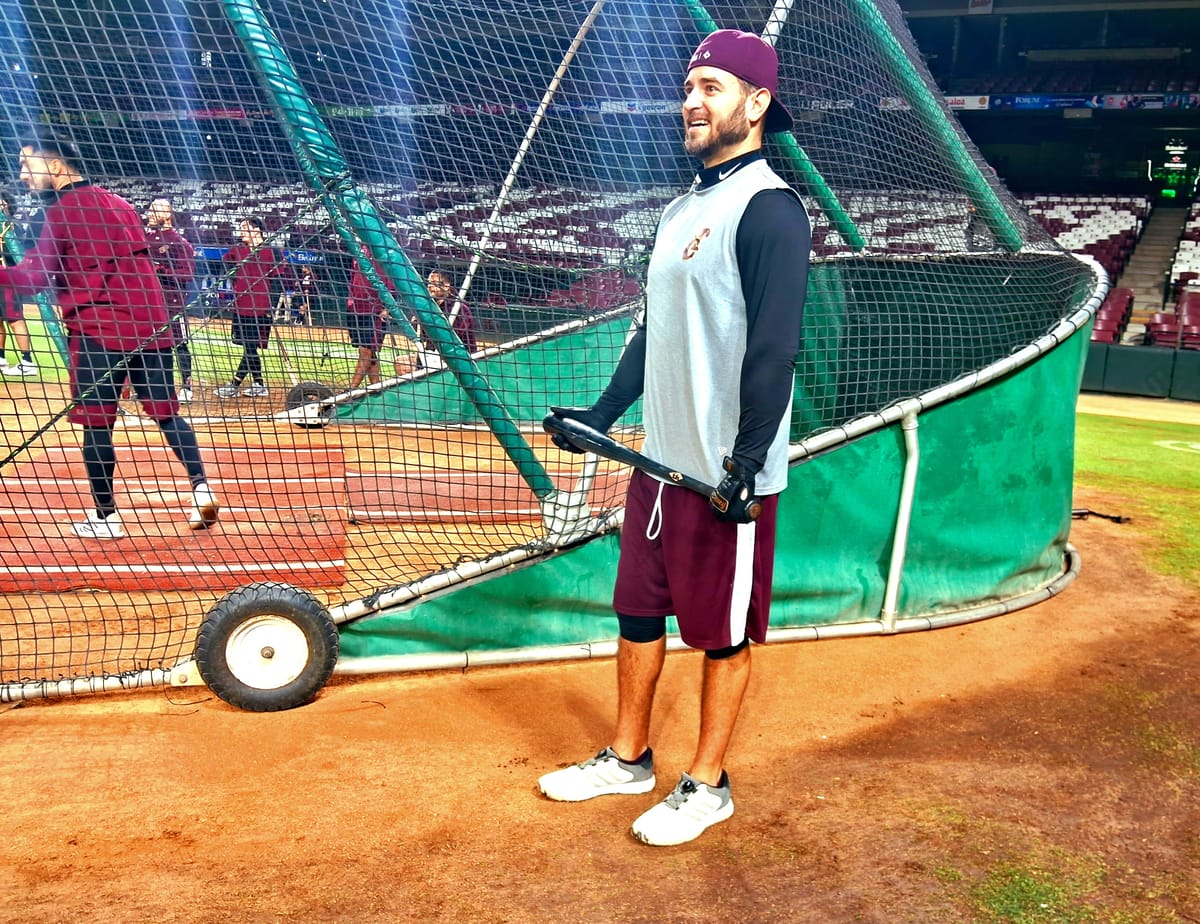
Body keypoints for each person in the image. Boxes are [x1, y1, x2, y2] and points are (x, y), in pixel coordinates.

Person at [536, 30, 810, 847]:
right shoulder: (680, 211)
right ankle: (628, 758)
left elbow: (774, 350)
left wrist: (746, 462)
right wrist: (601, 415)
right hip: (657, 466)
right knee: (636, 617)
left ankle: (710, 782)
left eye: (713, 87)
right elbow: (653, 338)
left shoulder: (769, 207)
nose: (691, 101)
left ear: (756, 105)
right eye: (689, 86)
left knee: (722, 636)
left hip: (722, 480)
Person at [0, 131, 219, 538]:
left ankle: (105, 516)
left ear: (54, 165)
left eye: (26, 165)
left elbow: (32, 278)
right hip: (151, 326)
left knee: (96, 424)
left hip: (100, 330)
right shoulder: (120, 204)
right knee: (167, 413)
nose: (23, 175)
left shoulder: (61, 212)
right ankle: (201, 486)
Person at [215, 216, 279, 398]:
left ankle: (236, 383)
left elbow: (280, 276)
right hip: (241, 305)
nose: (241, 231)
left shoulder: (270, 251)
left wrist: (271, 302)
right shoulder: (238, 249)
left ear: (257, 229)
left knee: (251, 345)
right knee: (248, 346)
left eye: (245, 227)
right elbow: (226, 264)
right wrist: (236, 283)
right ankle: (258, 383)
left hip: (261, 307)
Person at [145, 198, 196, 401]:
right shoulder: (144, 237)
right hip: (147, 301)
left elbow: (186, 274)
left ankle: (186, 386)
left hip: (172, 302)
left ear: (167, 214)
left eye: (154, 211)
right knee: (150, 345)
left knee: (179, 343)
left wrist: (160, 270)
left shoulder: (177, 242)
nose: (149, 214)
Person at [0, 190, 38, 377]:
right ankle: (1, 358)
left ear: (7, 205)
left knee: (15, 319)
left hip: (8, 278)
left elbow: (17, 254)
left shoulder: (12, 226)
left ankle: (27, 361)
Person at [345, 256, 395, 389]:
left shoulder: (380, 250)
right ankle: (376, 388)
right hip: (355, 308)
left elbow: (392, 281)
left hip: (375, 310)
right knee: (370, 352)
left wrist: (387, 307)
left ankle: (352, 389)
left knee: (366, 350)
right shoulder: (358, 249)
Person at [420, 268, 477, 362]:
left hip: (459, 359)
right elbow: (423, 337)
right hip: (433, 356)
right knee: (401, 363)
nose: (429, 286)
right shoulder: (431, 306)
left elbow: (451, 337)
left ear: (446, 286)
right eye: (429, 283)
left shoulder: (459, 308)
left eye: (434, 283)